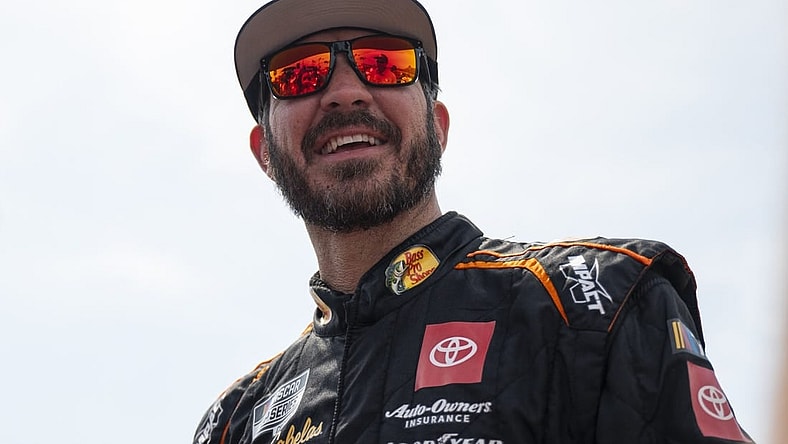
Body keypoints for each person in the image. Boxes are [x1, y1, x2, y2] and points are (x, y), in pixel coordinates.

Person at [193, 0, 753, 443]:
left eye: (385, 63)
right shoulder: (234, 422)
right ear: (265, 153)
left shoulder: (597, 298)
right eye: (299, 74)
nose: (345, 92)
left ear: (437, 126)